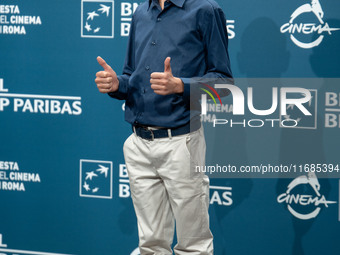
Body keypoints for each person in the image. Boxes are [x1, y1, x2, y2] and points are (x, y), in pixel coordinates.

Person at [95, 0, 232, 254]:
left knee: (194, 247)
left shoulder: (205, 10)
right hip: (138, 144)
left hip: (181, 143)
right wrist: (116, 85)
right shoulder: (140, 13)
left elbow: (224, 86)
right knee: (150, 245)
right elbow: (130, 76)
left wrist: (181, 86)